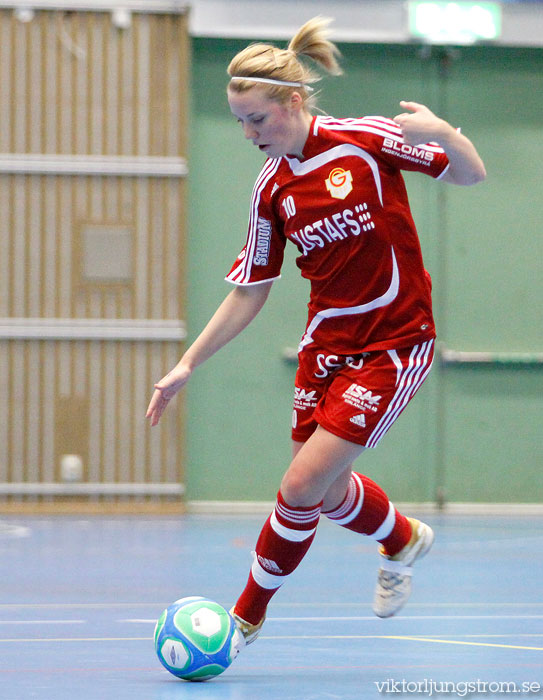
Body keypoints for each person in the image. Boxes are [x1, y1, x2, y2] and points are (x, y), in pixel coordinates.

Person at [146, 17, 485, 647]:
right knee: (324, 494)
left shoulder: (364, 140)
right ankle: (403, 538)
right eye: (239, 120)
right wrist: (187, 363)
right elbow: (250, 289)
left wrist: (445, 132)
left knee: (301, 484)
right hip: (325, 348)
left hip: (395, 341)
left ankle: (244, 618)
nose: (247, 133)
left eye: (256, 119)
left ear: (293, 101)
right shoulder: (271, 187)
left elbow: (470, 174)